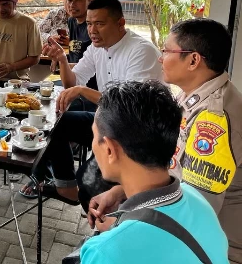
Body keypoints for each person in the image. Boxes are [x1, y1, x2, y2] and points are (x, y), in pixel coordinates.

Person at [88, 18, 242, 263]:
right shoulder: (193, 96)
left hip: (206, 250)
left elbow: (194, 209)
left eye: (167, 51)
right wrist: (120, 192)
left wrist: (122, 225)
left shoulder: (213, 121)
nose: (160, 58)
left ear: (193, 60)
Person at [20, 0, 162, 201]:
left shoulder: (141, 51)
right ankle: (66, 186)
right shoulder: (96, 48)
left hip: (133, 134)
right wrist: (61, 59)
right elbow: (73, 81)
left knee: (90, 185)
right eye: (89, 24)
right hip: (106, 121)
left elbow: (129, 108)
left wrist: (83, 91)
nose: (92, 31)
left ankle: (101, 217)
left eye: (100, 24)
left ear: (120, 23)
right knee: (57, 123)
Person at [79, 80, 229, 264]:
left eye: (95, 136)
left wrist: (118, 237)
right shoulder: (198, 202)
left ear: (110, 149)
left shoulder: (105, 252)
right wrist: (123, 223)